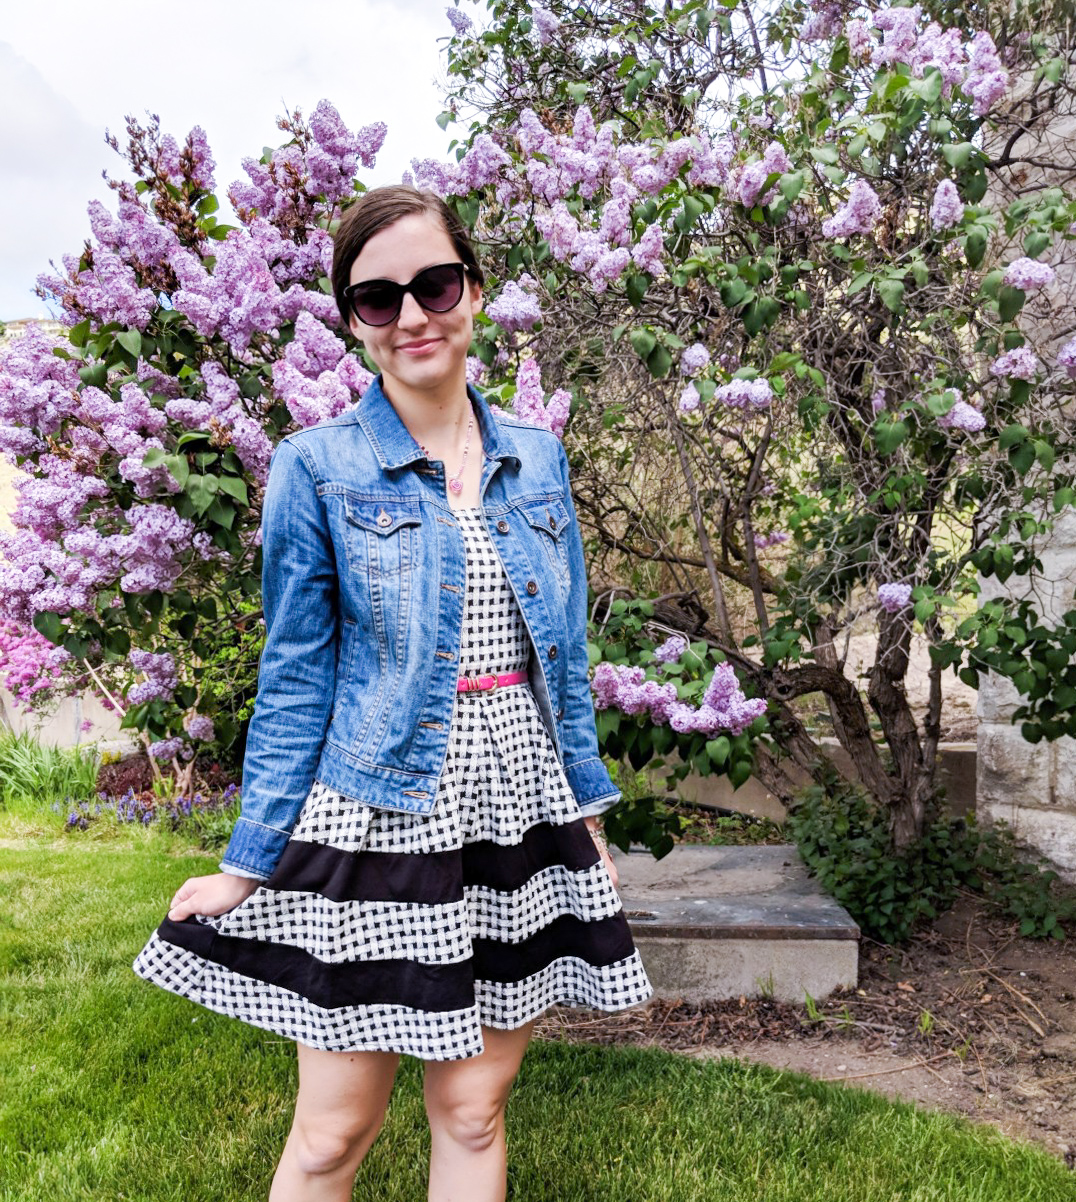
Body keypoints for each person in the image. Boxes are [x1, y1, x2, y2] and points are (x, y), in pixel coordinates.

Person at [133, 183, 653, 1202]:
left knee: (473, 1110)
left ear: (474, 290)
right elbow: (296, 676)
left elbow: (562, 654)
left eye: (435, 284)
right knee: (333, 1131)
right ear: (352, 318)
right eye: (379, 297)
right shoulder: (315, 467)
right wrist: (248, 862)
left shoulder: (538, 459)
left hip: (518, 804)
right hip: (378, 805)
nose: (412, 315)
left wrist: (586, 813)